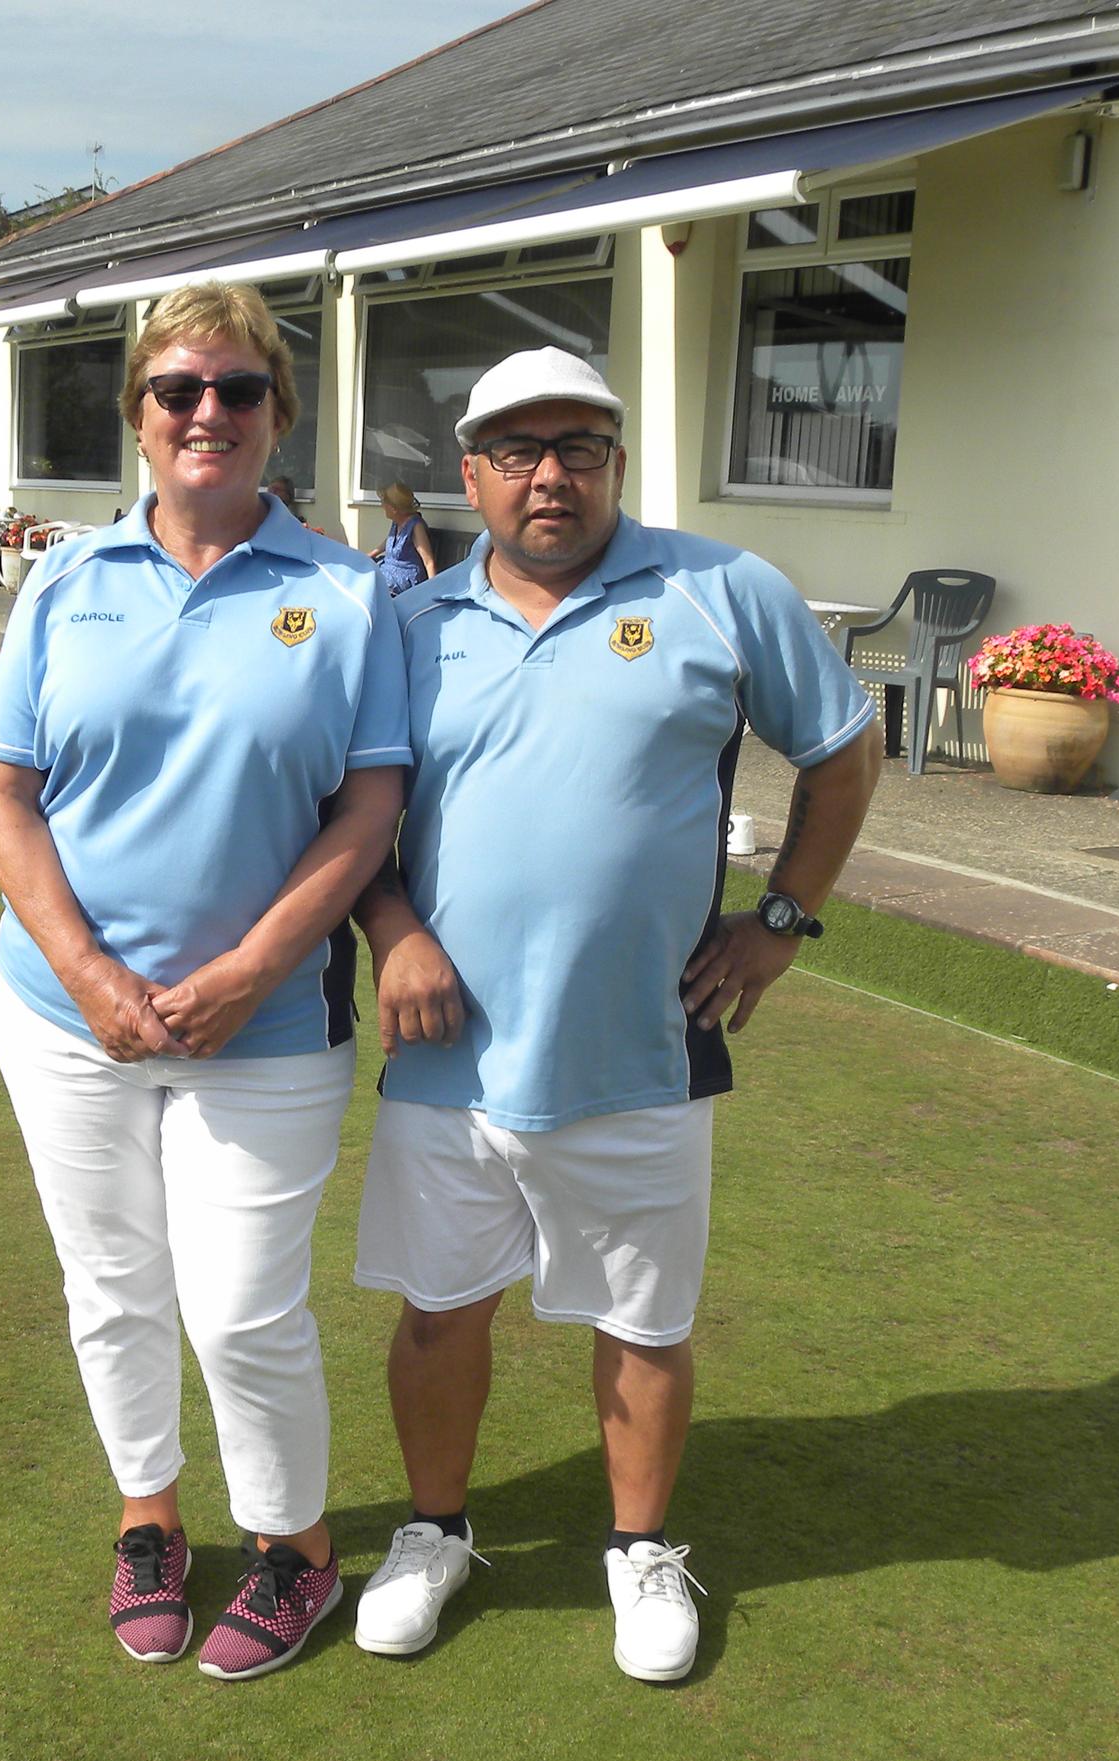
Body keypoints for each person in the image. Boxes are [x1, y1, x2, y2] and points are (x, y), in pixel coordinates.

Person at [347, 346, 881, 1684]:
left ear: (616, 464)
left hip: (642, 1043)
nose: (549, 475)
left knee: (645, 1322)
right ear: (470, 473)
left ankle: (641, 1553)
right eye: (517, 450)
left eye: (578, 447)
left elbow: (843, 746)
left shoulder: (721, 589)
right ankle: (434, 1532)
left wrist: (781, 923)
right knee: (437, 1312)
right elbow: (352, 819)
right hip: (447, 1056)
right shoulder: (406, 627)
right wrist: (394, 929)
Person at [0, 282, 409, 1682]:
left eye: (237, 390)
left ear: (277, 414)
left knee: (239, 1307)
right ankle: (147, 1517)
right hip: (62, 1020)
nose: (207, 412)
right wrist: (88, 974)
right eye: (177, 391)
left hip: (267, 1028)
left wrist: (251, 967)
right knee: (112, 1285)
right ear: (141, 420)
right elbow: (4, 792)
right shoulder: (67, 580)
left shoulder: (345, 593)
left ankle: (295, 1549)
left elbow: (370, 803)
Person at [369, 481, 437, 596]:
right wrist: (372, 554)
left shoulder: (416, 526)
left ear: (393, 509)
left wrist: (432, 593)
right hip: (388, 571)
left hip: (403, 579)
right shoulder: (397, 522)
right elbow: (391, 541)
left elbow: (429, 562)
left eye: (383, 503)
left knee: (371, 586)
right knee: (363, 574)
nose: (382, 506)